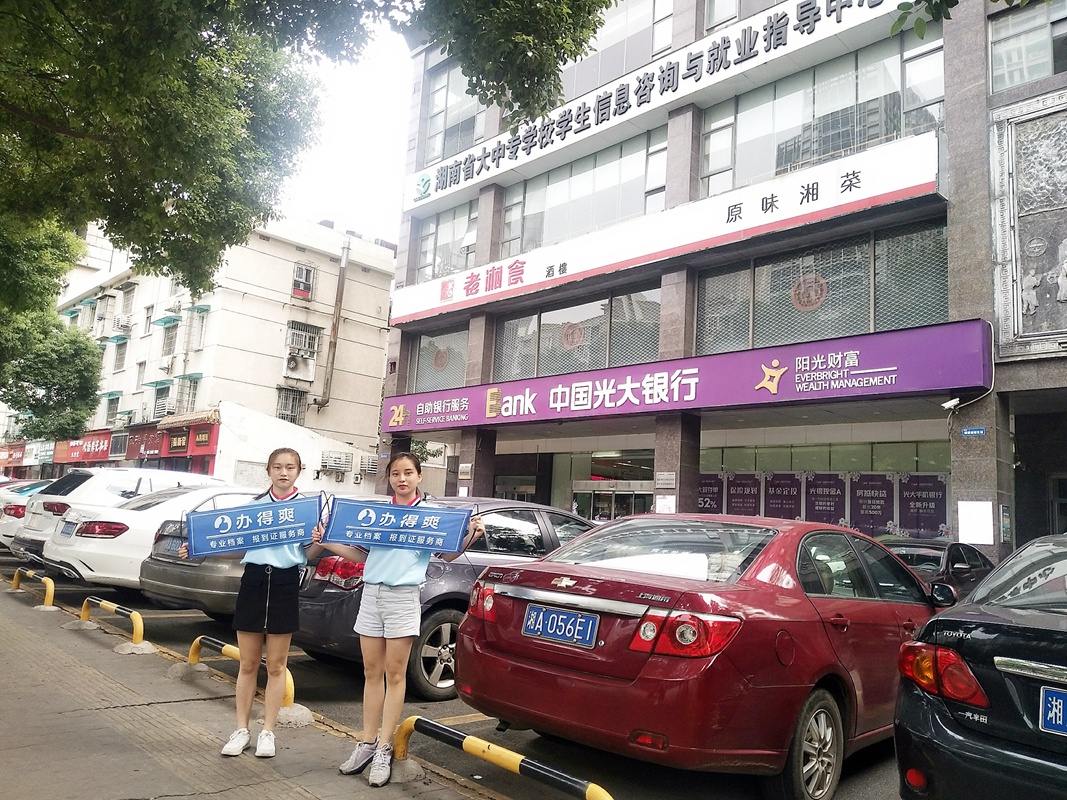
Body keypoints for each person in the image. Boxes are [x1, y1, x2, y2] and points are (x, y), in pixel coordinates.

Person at [314, 452, 484, 787]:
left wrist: (471, 535)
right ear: (389, 478)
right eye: (395, 473)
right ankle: (366, 743)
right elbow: (361, 555)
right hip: (371, 595)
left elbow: (446, 555)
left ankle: (384, 747)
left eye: (408, 473)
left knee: (394, 674)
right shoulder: (378, 515)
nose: (401, 479)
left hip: (404, 598)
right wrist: (327, 542)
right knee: (371, 672)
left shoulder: (431, 516)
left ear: (419, 476)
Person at [179, 447, 326, 759]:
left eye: (290, 467)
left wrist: (318, 541)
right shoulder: (253, 508)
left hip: (286, 583)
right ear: (268, 471)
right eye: (277, 467)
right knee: (247, 663)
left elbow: (306, 554)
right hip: (254, 581)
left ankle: (268, 731)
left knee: (276, 665)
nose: (283, 472)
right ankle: (241, 729)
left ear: (299, 471)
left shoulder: (306, 510)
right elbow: (236, 546)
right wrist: (198, 548)